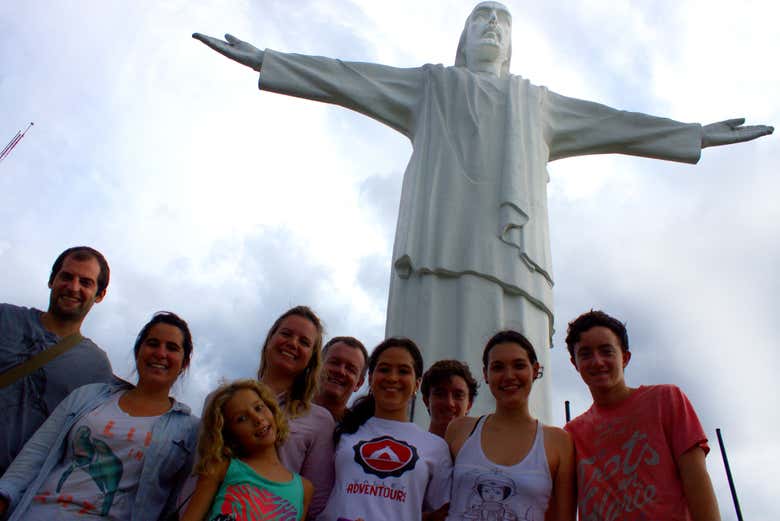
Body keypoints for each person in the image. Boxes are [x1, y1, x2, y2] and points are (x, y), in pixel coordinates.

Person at [192, 2, 773, 424]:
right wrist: (268, 60)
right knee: (422, 344)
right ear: (463, 37)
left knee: (511, 348)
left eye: (502, 22)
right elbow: (348, 79)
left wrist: (691, 134)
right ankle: (411, 439)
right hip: (434, 246)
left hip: (512, 258)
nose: (491, 27)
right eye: (480, 19)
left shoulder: (535, 103)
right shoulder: (431, 87)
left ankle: (515, 448)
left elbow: (616, 123)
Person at [0, 311, 199, 520]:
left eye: (172, 348)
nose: (160, 353)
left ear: (184, 363)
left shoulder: (190, 430)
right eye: (152, 343)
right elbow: (35, 454)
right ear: (138, 351)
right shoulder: (87, 396)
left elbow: (185, 499)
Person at [564, 310, 720, 521]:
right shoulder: (570, 436)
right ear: (575, 363)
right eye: (585, 354)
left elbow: (697, 482)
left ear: (625, 358)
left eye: (606, 351)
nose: (597, 361)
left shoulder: (666, 400)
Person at [0, 246, 114, 475]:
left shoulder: (96, 366)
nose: (73, 287)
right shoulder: (5, 318)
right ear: (52, 280)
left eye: (86, 282)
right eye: (67, 276)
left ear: (99, 295)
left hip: (10, 489)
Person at [445, 331, 575, 521]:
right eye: (498, 367)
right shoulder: (459, 430)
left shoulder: (558, 442)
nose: (509, 375)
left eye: (519, 365)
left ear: (535, 369)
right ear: (486, 374)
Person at [321, 337, 452, 521]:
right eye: (384, 369)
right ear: (370, 378)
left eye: (403, 371)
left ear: (417, 383)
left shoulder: (436, 447)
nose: (392, 378)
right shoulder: (342, 430)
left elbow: (441, 514)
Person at [181, 379, 313, 521]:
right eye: (241, 418)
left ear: (271, 409)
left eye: (258, 408)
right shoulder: (220, 469)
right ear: (228, 435)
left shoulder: (304, 489)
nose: (257, 418)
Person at [256, 306, 334, 520]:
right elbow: (198, 476)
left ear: (312, 358)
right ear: (270, 338)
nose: (292, 343)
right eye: (286, 334)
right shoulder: (223, 398)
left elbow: (316, 503)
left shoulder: (319, 421)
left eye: (304, 342)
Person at [314, 336, 368, 421]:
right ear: (317, 367)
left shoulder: (362, 432)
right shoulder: (286, 413)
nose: (341, 371)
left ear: (359, 384)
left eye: (351, 369)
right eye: (334, 362)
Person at [420, 360, 477, 438]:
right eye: (440, 394)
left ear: (469, 404)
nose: (449, 403)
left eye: (458, 395)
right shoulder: (412, 448)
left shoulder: (480, 448)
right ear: (426, 400)